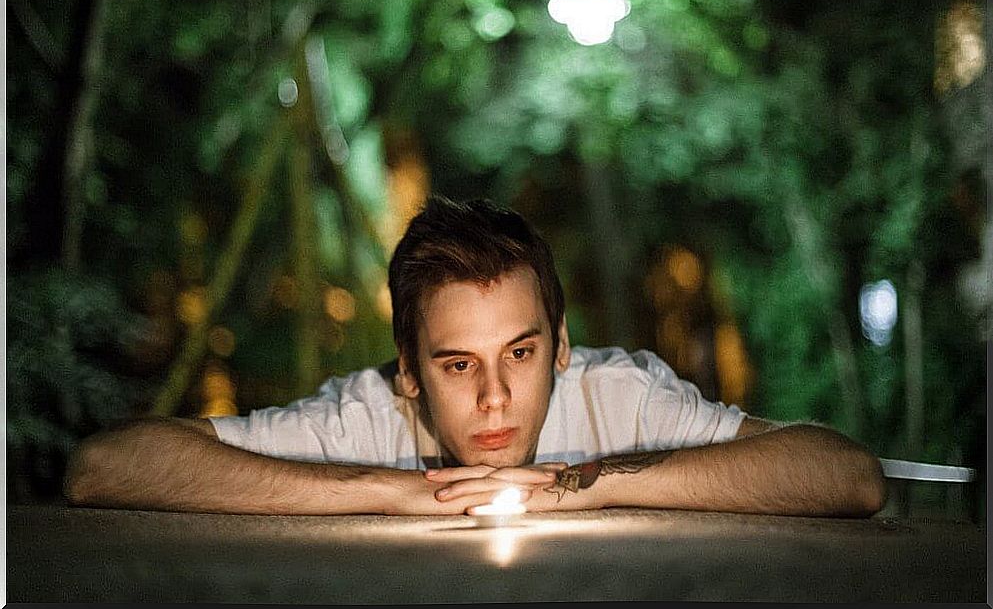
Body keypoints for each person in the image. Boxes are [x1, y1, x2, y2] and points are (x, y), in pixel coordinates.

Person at [65, 196, 886, 517]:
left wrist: (578, 487)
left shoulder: (619, 395)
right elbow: (106, 468)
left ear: (561, 346)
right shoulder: (368, 412)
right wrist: (392, 492)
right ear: (410, 372)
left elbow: (846, 476)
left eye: (521, 353)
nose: (495, 398)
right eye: (457, 364)